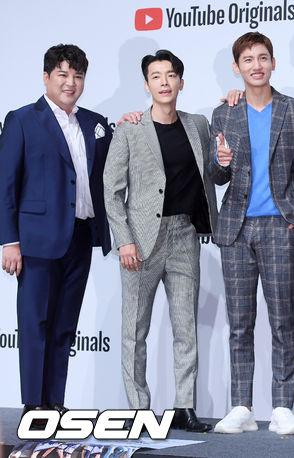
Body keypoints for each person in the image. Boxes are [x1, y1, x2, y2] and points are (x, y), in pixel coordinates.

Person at [210, 32, 294, 435]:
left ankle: (282, 407)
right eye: (247, 60)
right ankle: (241, 406)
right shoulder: (224, 114)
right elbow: (217, 176)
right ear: (236, 67)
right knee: (239, 324)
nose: (256, 66)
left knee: (281, 322)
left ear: (273, 63)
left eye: (262, 58)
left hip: (280, 226)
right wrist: (221, 162)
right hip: (236, 229)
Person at [103, 50, 217, 432]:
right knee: (134, 332)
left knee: (186, 328)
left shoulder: (198, 124)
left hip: (185, 235)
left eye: (171, 75)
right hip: (141, 241)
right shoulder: (130, 129)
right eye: (156, 76)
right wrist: (124, 241)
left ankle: (184, 406)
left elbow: (213, 173)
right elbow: (111, 191)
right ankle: (140, 410)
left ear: (181, 82)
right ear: (147, 84)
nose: (164, 82)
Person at [0, 44, 112, 424]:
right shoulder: (21, 120)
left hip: (80, 236)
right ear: (46, 77)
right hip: (35, 240)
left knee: (65, 324)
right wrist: (9, 241)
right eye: (63, 74)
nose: (70, 83)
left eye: (78, 76)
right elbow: (5, 185)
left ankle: (54, 402)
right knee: (35, 323)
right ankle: (34, 404)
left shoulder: (94, 123)